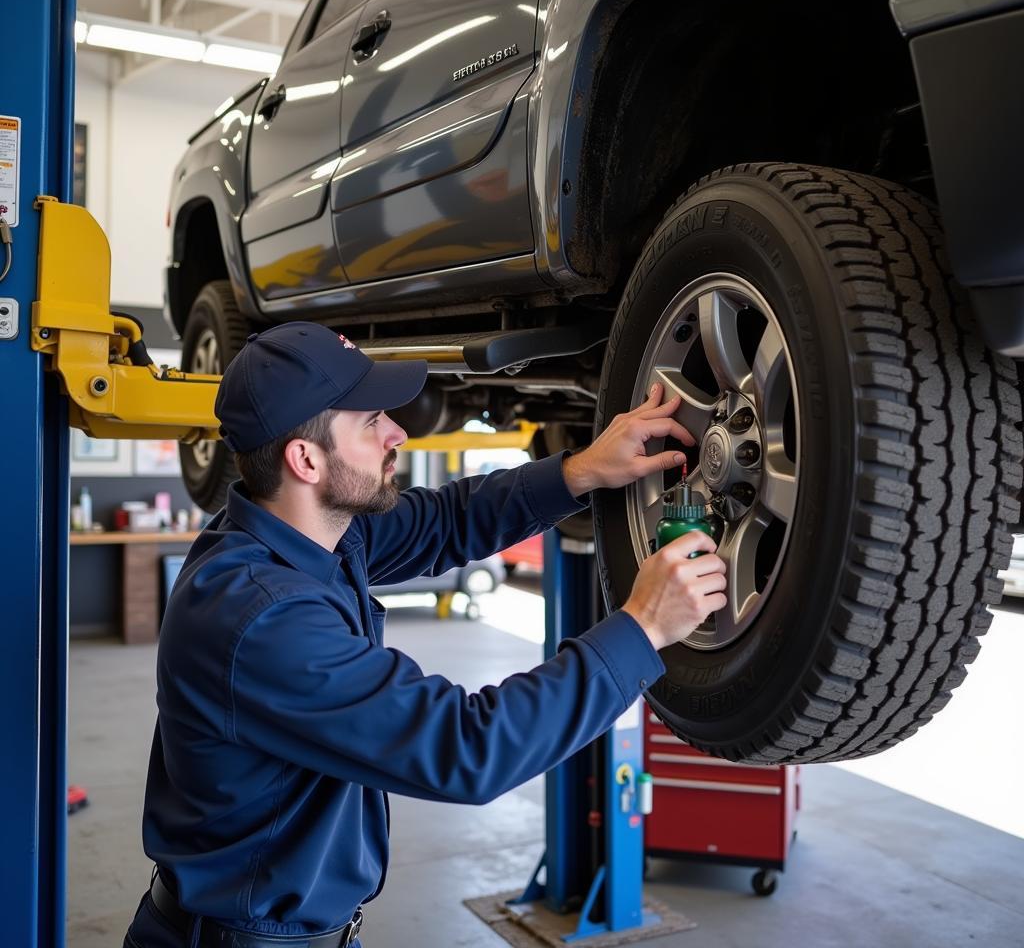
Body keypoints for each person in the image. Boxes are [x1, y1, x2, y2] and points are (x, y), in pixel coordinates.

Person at [124, 322, 727, 948]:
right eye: (371, 422)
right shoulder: (261, 617)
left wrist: (580, 469)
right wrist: (643, 627)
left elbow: (444, 521)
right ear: (304, 460)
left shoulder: (301, 533)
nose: (398, 434)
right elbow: (469, 747)